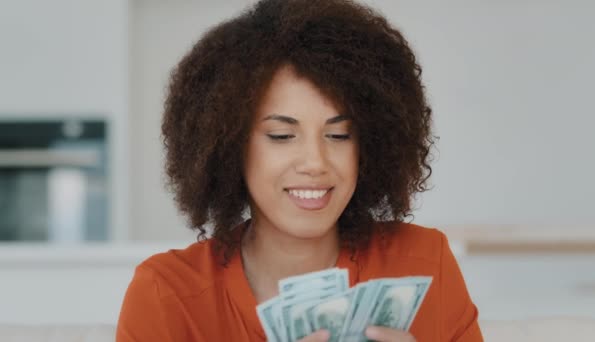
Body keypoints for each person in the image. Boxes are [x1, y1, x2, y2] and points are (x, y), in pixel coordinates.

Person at [116, 0, 483, 341]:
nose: (315, 163)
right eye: (282, 135)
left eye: (339, 134)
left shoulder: (424, 261)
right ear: (230, 146)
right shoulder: (168, 294)